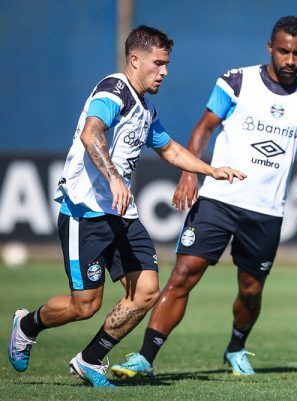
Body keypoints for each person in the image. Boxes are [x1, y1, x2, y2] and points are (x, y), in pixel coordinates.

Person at [7, 25, 245, 388]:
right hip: (85, 212)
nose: (165, 72)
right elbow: (91, 132)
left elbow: (168, 149)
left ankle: (90, 359)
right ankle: (27, 325)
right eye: (159, 63)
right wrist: (115, 177)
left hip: (122, 215)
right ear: (136, 60)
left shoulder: (146, 108)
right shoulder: (113, 89)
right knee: (84, 305)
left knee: (147, 290)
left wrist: (211, 169)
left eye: (167, 64)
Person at [110, 16, 297, 378]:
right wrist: (190, 172)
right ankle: (145, 357)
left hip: (265, 211)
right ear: (270, 48)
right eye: (283, 51)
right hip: (218, 199)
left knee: (251, 291)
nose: (289, 59)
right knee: (183, 275)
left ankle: (236, 348)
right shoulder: (237, 80)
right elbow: (205, 127)